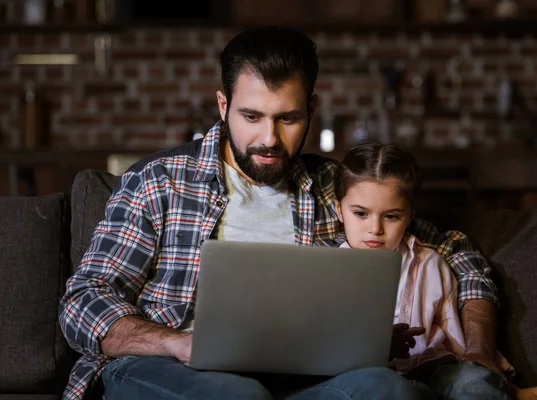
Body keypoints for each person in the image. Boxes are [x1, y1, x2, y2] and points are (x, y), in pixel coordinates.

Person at [61, 26, 496, 399]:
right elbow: (83, 301)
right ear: (223, 105)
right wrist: (175, 343)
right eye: (251, 116)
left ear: (311, 110)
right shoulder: (161, 181)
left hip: (302, 381)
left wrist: (479, 348)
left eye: (287, 119)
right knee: (239, 395)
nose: (268, 138)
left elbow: (456, 252)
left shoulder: (336, 188)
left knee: (388, 390)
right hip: (168, 368)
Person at [333, 142, 537, 400]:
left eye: (391, 216)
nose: (375, 228)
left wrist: (511, 390)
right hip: (368, 382)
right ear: (339, 210)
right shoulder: (327, 270)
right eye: (361, 213)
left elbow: (460, 349)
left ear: (410, 216)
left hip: (434, 375)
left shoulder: (431, 264)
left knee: (473, 380)